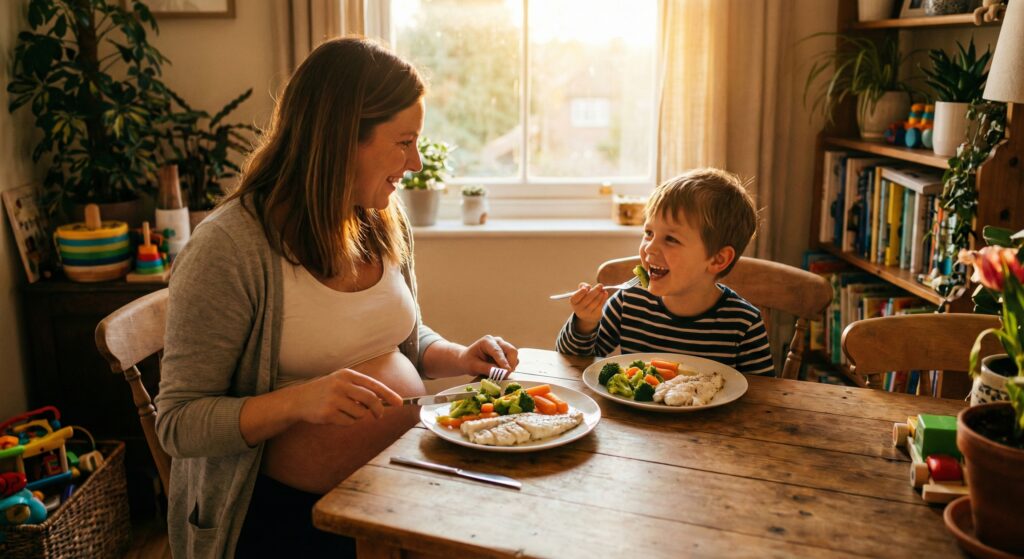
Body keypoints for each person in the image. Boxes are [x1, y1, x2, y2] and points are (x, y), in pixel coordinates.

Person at [154, 37, 519, 559]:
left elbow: (405, 341)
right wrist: (299, 401)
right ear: (342, 139)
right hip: (285, 520)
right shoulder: (229, 250)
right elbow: (178, 425)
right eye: (404, 142)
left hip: (400, 492)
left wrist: (459, 357)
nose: (415, 162)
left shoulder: (381, 217)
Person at [555, 168, 774, 375]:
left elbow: (764, 398)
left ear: (718, 259)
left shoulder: (743, 323)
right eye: (649, 233)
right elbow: (570, 359)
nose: (649, 247)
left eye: (671, 239)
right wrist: (584, 323)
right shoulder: (629, 300)